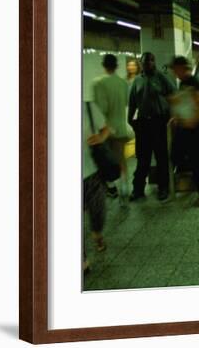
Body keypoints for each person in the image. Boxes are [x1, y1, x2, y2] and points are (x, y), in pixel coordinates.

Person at [128, 52, 175, 201]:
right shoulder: (137, 81)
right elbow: (132, 103)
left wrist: (171, 116)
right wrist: (131, 121)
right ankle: (138, 189)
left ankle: (163, 188)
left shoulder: (162, 78)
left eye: (150, 61)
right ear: (141, 63)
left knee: (161, 157)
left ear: (154, 62)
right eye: (145, 62)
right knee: (143, 158)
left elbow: (174, 95)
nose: (147, 64)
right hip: (143, 124)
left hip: (159, 122)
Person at [169, 56, 199, 206]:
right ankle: (189, 180)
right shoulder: (184, 83)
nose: (174, 72)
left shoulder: (192, 82)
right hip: (187, 127)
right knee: (178, 154)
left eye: (176, 69)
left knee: (197, 161)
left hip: (196, 128)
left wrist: (194, 118)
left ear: (182, 68)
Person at [92, 53, 130, 203]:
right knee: (121, 159)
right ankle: (124, 187)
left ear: (103, 65)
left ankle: (111, 187)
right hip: (121, 127)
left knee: (104, 159)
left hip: (106, 130)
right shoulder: (122, 83)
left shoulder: (98, 83)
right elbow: (125, 102)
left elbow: (100, 109)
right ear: (116, 66)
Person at [82, 101, 110, 273]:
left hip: (91, 171)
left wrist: (100, 137)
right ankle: (82, 260)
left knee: (98, 210)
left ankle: (97, 232)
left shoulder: (87, 106)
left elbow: (106, 128)